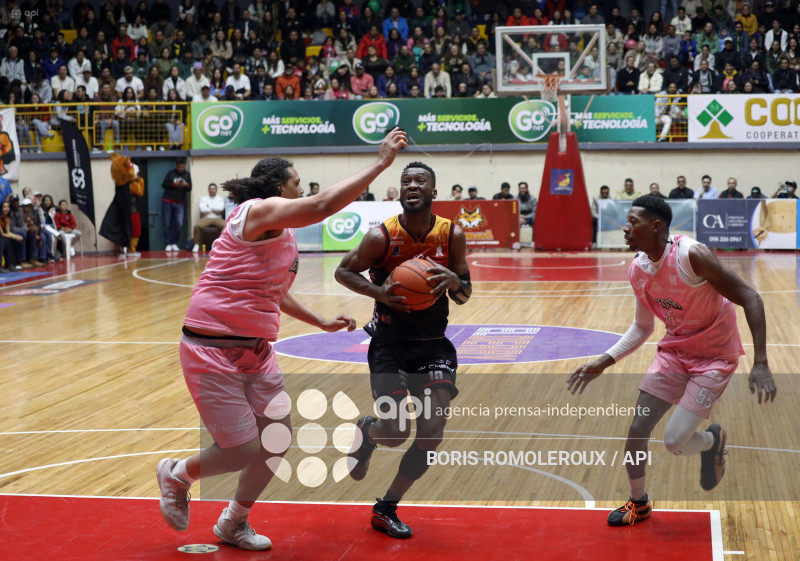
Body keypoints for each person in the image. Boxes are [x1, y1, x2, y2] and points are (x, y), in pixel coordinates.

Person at [156, 128, 407, 551]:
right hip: (210, 348)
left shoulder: (282, 233)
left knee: (275, 441)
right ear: (278, 188)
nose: (301, 187)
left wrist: (319, 320)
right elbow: (324, 204)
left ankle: (233, 523)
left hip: (254, 351)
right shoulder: (256, 211)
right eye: (296, 182)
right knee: (239, 450)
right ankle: (177, 474)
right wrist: (381, 164)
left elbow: (273, 291)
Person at [569, 195, 776, 527]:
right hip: (675, 353)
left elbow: (750, 296)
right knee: (637, 429)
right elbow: (642, 326)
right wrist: (604, 361)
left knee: (674, 442)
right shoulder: (638, 268)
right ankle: (639, 503)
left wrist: (761, 362)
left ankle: (712, 441)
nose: (625, 228)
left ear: (656, 226)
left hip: (715, 358)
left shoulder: (691, 255)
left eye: (633, 222)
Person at [334, 160, 471, 540]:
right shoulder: (381, 236)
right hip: (390, 345)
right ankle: (370, 431)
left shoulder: (451, 235)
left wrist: (454, 281)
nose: (412, 185)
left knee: (431, 432)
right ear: (400, 191)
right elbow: (343, 271)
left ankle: (386, 507)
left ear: (432, 192)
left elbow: (465, 294)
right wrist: (378, 293)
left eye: (420, 181)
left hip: (432, 347)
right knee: (395, 433)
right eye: (406, 180)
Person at [162, 158, 192, 251]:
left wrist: (186, 185)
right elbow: (164, 185)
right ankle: (168, 243)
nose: (180, 168)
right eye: (179, 167)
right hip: (167, 201)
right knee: (166, 223)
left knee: (179, 223)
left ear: (184, 166)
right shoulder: (170, 173)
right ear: (176, 166)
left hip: (180, 202)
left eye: (182, 166)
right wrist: (175, 184)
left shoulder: (187, 174)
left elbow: (190, 188)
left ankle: (174, 242)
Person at [192, 183, 227, 252]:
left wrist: (208, 206)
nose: (212, 190)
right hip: (206, 218)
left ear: (216, 190)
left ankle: (222, 245)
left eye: (213, 189)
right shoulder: (203, 198)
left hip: (217, 218)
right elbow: (202, 210)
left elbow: (220, 209)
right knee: (196, 226)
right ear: (208, 190)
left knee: (224, 225)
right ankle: (196, 245)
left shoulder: (220, 199)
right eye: (210, 189)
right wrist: (215, 208)